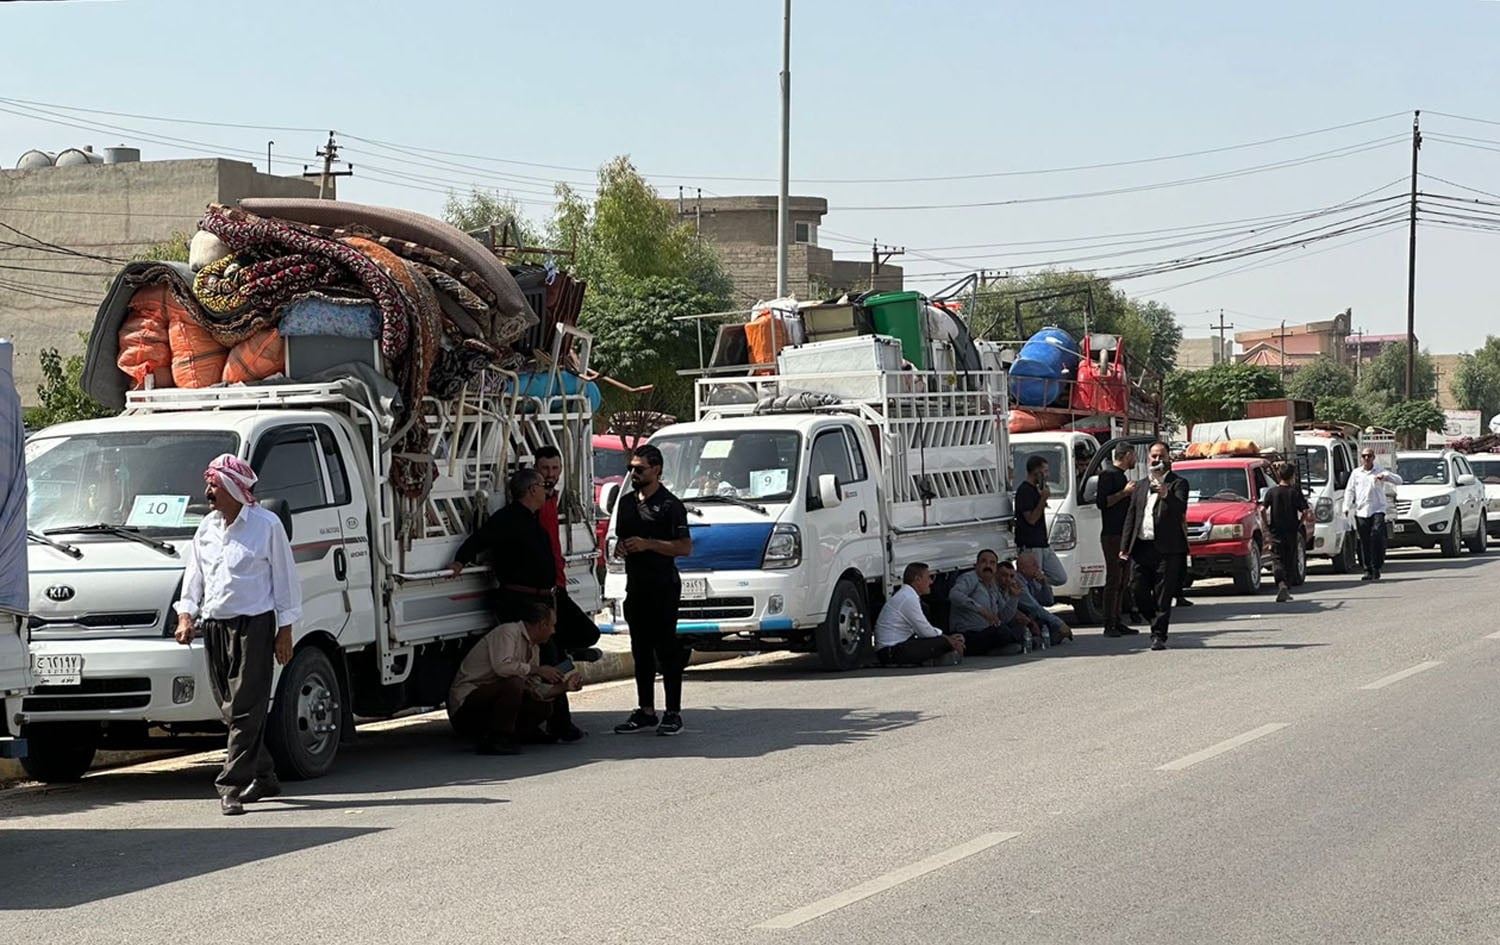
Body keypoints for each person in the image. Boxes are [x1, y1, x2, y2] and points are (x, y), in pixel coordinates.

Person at [174, 454, 302, 816]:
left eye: (214, 485)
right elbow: (195, 576)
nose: (207, 491)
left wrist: (285, 630)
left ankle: (230, 785)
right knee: (231, 711)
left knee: (245, 709)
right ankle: (264, 775)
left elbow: (286, 581)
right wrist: (186, 614)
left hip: (254, 627)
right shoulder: (206, 528)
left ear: (233, 488)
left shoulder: (266, 526)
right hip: (215, 626)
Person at [448, 469, 585, 742]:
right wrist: (460, 561)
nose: (545, 490)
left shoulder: (533, 519)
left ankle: (544, 721)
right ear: (531, 489)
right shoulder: (508, 519)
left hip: (543, 598)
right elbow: (479, 539)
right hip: (521, 601)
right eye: (541, 485)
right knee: (539, 661)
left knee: (552, 656)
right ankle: (553, 724)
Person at [612, 445, 694, 737]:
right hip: (636, 587)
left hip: (663, 587)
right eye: (631, 468)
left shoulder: (671, 505)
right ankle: (645, 710)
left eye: (639, 469)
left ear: (656, 470)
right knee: (641, 650)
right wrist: (621, 548)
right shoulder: (626, 503)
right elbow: (621, 538)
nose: (633, 473)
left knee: (667, 650)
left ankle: (673, 713)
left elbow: (684, 547)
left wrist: (649, 544)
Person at [448, 601, 583, 756]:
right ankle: (499, 738)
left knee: (542, 707)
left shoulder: (534, 648)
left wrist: (563, 687)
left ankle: (519, 733)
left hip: (491, 705)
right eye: (552, 625)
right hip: (467, 706)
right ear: (542, 625)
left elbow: (534, 688)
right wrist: (537, 670)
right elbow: (503, 667)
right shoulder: (508, 632)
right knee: (514, 683)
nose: (553, 631)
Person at [533, 446, 604, 665]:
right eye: (545, 468)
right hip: (545, 586)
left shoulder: (552, 498)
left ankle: (565, 654)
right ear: (536, 469)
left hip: (558, 580)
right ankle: (563, 657)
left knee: (588, 633)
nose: (551, 474)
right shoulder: (533, 502)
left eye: (555, 468)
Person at [1120, 441, 1190, 651]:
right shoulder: (1140, 485)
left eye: (1161, 456)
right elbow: (1131, 516)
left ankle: (1158, 635)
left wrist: (1166, 494)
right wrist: (1124, 547)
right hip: (1142, 547)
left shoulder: (1178, 483)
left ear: (1169, 459)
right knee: (1137, 589)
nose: (1157, 460)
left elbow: (1180, 509)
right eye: (1154, 456)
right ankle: (1154, 619)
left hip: (1167, 549)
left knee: (1162, 594)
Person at [875, 562, 966, 666]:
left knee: (943, 641)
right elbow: (925, 631)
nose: (931, 582)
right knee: (943, 643)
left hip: (893, 648)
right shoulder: (908, 598)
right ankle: (937, 659)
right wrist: (948, 640)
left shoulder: (907, 595)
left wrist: (948, 639)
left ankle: (934, 658)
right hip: (890, 651)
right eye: (928, 578)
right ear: (917, 579)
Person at [948, 550, 1030, 655]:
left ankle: (1001, 648)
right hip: (969, 634)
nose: (988, 566)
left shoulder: (992, 586)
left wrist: (1014, 598)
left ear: (995, 568)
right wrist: (981, 610)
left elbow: (1003, 618)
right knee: (1002, 632)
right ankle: (1009, 645)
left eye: (992, 563)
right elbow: (954, 595)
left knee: (1020, 629)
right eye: (983, 561)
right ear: (976, 565)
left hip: (987, 632)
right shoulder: (970, 578)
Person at [1096, 444, 1139, 637]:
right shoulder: (1108, 475)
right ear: (1127, 455)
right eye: (1134, 456)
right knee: (1114, 578)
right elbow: (1102, 503)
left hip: (1125, 535)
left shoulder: (1121, 476)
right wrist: (1124, 493)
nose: (1135, 460)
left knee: (1123, 579)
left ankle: (1118, 619)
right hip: (1112, 535)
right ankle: (1108, 624)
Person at [1345, 447, 1402, 581]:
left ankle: (1377, 566)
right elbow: (1350, 490)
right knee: (1364, 541)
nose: (1366, 458)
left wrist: (1385, 476)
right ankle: (1368, 569)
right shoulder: (1356, 473)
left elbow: (1399, 480)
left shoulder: (1380, 470)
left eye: (1369, 456)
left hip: (1377, 509)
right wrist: (1346, 506)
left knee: (1376, 536)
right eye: (1364, 456)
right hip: (1362, 511)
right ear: (1361, 458)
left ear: (1373, 458)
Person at [1014, 454, 1068, 587]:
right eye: (1045, 471)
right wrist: (1043, 499)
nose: (1047, 475)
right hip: (1030, 545)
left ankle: (1042, 583)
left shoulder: (1037, 490)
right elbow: (1031, 519)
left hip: (1043, 543)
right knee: (1033, 581)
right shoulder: (1025, 491)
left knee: (1060, 577)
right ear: (1036, 472)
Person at [1261, 464, 1311, 603]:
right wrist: (1299, 523)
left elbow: (1262, 509)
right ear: (1292, 476)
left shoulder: (1272, 492)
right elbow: (1305, 511)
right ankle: (1286, 587)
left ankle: (1281, 584)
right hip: (1291, 532)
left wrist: (1266, 524)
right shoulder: (1294, 492)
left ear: (1279, 475)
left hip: (1275, 531)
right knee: (1289, 560)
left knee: (1277, 559)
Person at [1016, 551, 1074, 644]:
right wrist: (1060, 624)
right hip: (1021, 617)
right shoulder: (1018, 582)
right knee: (1052, 625)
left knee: (1051, 626)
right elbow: (1034, 607)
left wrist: (1044, 583)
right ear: (1023, 569)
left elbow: (1048, 601)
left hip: (1032, 616)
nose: (1037, 567)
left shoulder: (1032, 580)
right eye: (1034, 565)